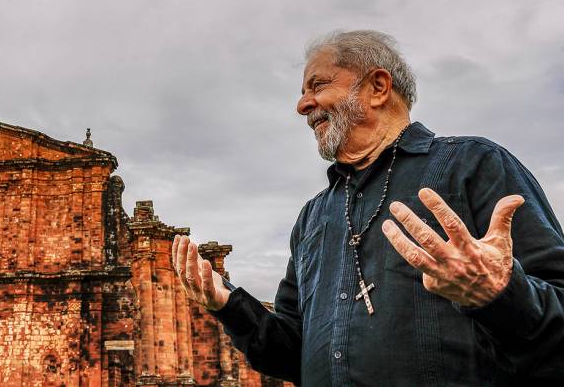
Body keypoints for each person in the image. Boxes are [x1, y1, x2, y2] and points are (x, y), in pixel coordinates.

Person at [173, 30, 564, 386]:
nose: (302, 104)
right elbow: (294, 355)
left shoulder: (475, 166)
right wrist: (228, 305)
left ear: (378, 87)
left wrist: (498, 292)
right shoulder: (313, 216)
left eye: (318, 85)